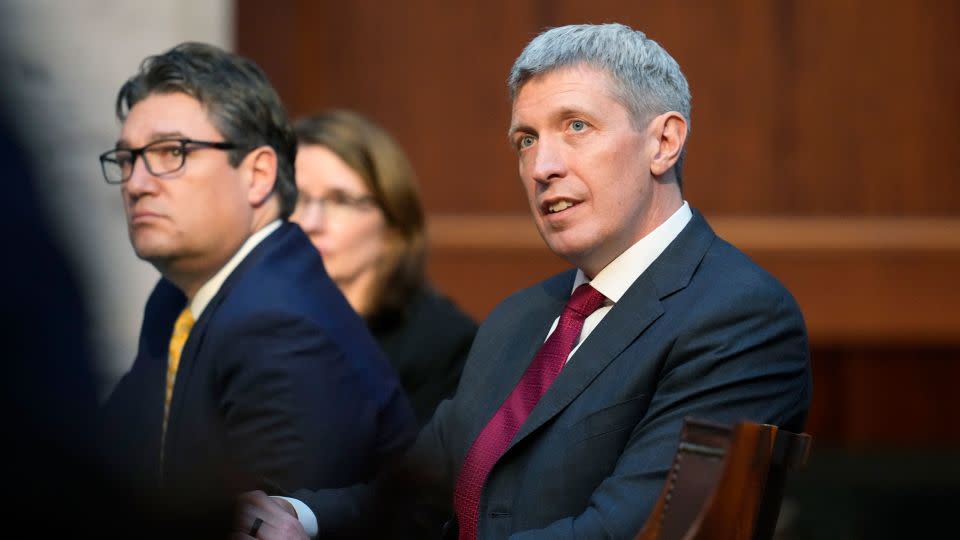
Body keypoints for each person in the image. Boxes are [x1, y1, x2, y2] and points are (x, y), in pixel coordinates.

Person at [237, 23, 811, 540]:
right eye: (526, 140)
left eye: (576, 127)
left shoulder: (739, 314)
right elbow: (413, 496)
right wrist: (293, 517)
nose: (542, 167)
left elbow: (625, 531)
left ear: (663, 142)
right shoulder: (520, 317)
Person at [96, 42, 417, 515]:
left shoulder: (280, 325)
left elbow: (260, 525)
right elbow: (113, 467)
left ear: (258, 174)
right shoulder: (176, 297)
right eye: (127, 160)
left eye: (171, 152)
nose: (138, 183)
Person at [290, 110, 477, 425]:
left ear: (393, 226)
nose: (310, 223)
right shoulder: (252, 320)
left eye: (340, 200)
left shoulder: (444, 345)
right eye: (295, 197)